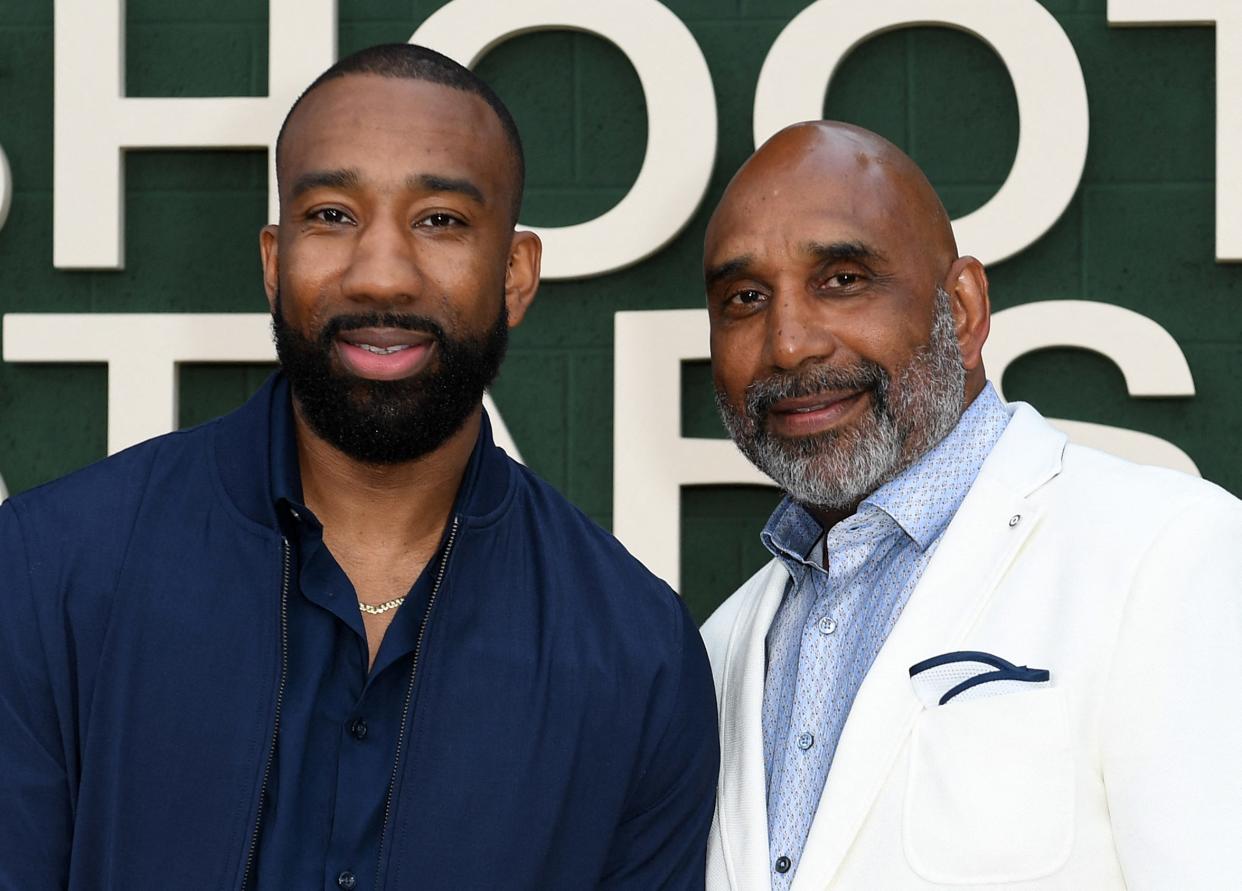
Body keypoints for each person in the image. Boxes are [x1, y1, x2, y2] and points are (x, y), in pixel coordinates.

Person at [0, 44, 718, 890]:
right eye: (333, 215)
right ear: (274, 261)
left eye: (440, 219)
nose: (381, 273)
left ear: (516, 274)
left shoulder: (639, 656)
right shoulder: (44, 574)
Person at [699, 120, 1242, 889]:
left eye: (843, 279)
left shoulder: (1165, 552)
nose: (789, 343)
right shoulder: (721, 647)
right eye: (746, 297)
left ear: (961, 308)